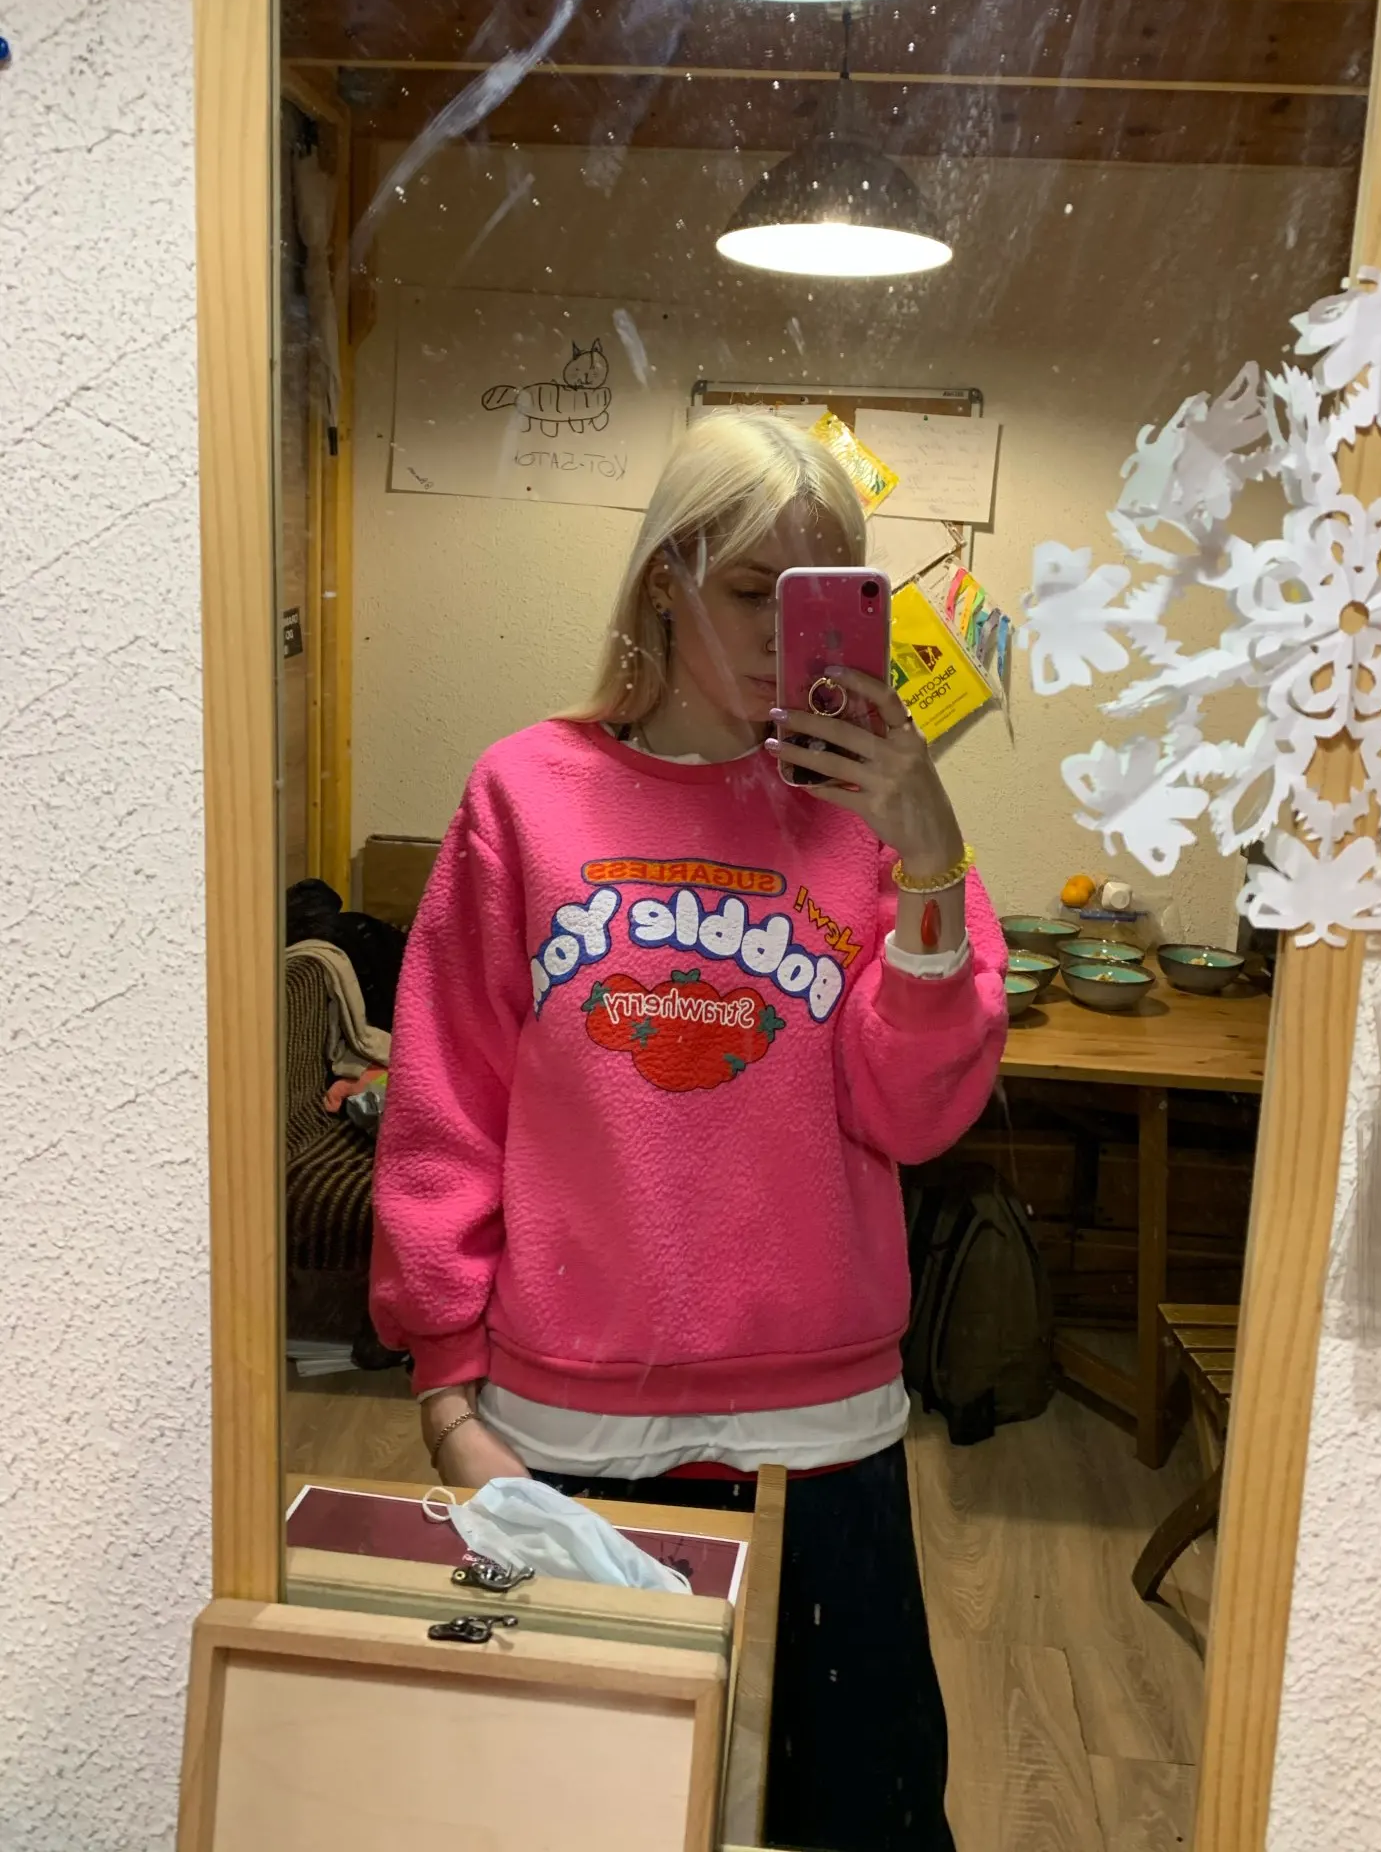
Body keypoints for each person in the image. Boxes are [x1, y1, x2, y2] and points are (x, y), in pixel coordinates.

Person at [370, 412, 1008, 1851]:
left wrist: (929, 858)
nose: (789, 637)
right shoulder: (525, 794)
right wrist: (446, 1389)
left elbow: (913, 1115)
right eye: (750, 591)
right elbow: (445, 1107)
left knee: (858, 1818)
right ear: (664, 576)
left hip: (824, 1431)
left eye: (824, 593)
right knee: (569, 1822)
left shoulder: (883, 822)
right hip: (561, 1422)